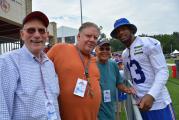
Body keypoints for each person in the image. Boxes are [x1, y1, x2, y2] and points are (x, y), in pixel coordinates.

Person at [110, 18, 176, 120]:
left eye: (123, 29)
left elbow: (162, 71)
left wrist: (151, 95)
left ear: (131, 29)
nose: (121, 32)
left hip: (158, 102)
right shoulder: (125, 53)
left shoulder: (148, 43)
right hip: (140, 103)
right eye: (118, 31)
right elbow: (127, 76)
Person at [0, 11, 61, 120]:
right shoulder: (8, 62)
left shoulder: (50, 65)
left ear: (47, 35)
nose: (37, 35)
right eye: (31, 30)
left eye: (41, 30)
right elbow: (2, 109)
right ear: (22, 35)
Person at [47, 22, 101, 120]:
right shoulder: (60, 48)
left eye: (95, 37)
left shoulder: (94, 60)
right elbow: (40, 69)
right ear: (78, 36)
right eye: (88, 36)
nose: (92, 40)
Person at [95, 38, 134, 120]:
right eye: (101, 48)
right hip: (95, 113)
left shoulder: (113, 64)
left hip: (110, 110)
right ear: (96, 49)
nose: (104, 51)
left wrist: (127, 89)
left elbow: (118, 83)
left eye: (107, 49)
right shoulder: (90, 64)